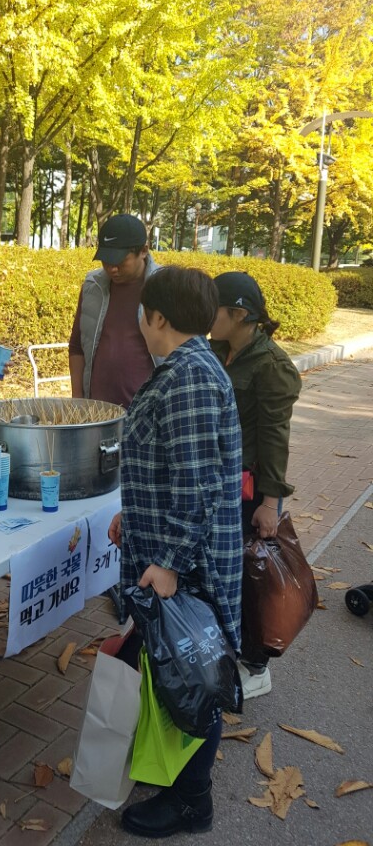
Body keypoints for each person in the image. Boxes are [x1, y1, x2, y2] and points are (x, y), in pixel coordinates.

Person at [108, 265, 242, 839]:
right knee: (169, 668)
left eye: (142, 310)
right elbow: (174, 469)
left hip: (187, 564)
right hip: (174, 550)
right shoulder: (190, 367)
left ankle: (192, 802)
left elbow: (196, 486)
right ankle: (171, 775)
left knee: (190, 677)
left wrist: (166, 562)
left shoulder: (186, 377)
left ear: (156, 317)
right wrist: (130, 513)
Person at [210, 271, 302, 700]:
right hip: (219, 485)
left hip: (251, 492)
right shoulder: (218, 350)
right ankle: (231, 649)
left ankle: (257, 666)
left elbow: (274, 439)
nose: (208, 316)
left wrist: (271, 502)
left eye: (215, 308)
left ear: (240, 313)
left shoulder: (270, 366)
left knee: (253, 575)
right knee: (225, 572)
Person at [69, 214, 160, 408]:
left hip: (147, 414)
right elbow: (77, 346)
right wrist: (78, 398)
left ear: (143, 251)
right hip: (96, 413)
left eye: (119, 261)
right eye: (105, 260)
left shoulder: (166, 287)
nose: (111, 269)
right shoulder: (92, 286)